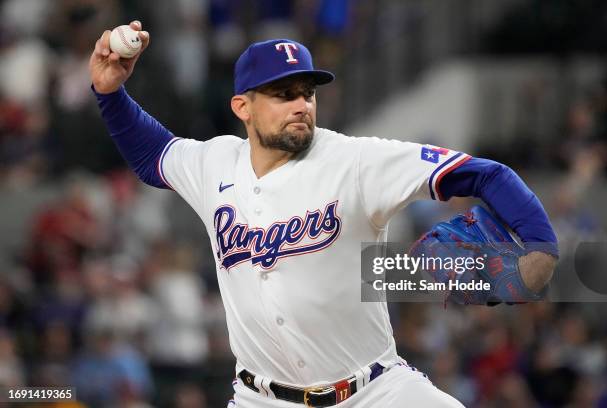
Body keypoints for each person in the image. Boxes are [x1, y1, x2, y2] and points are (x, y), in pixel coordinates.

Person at [89, 20, 558, 408]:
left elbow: (484, 174)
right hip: (260, 400)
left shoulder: (355, 161)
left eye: (306, 92)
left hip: (374, 392)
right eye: (282, 93)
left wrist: (541, 245)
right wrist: (110, 94)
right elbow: (154, 156)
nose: (300, 105)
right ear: (242, 107)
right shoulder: (215, 164)